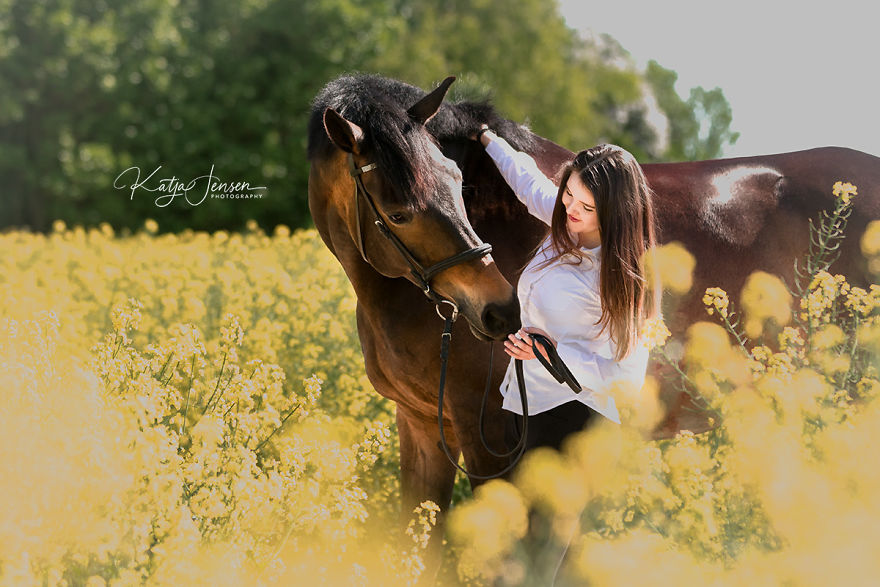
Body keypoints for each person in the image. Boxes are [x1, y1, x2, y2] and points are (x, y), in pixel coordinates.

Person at [475, 125, 657, 456]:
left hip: (576, 419)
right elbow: (527, 182)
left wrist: (555, 353)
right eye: (569, 193)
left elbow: (627, 382)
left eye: (587, 207)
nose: (572, 208)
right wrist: (485, 135)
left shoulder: (622, 277)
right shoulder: (568, 222)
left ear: (615, 213)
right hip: (525, 402)